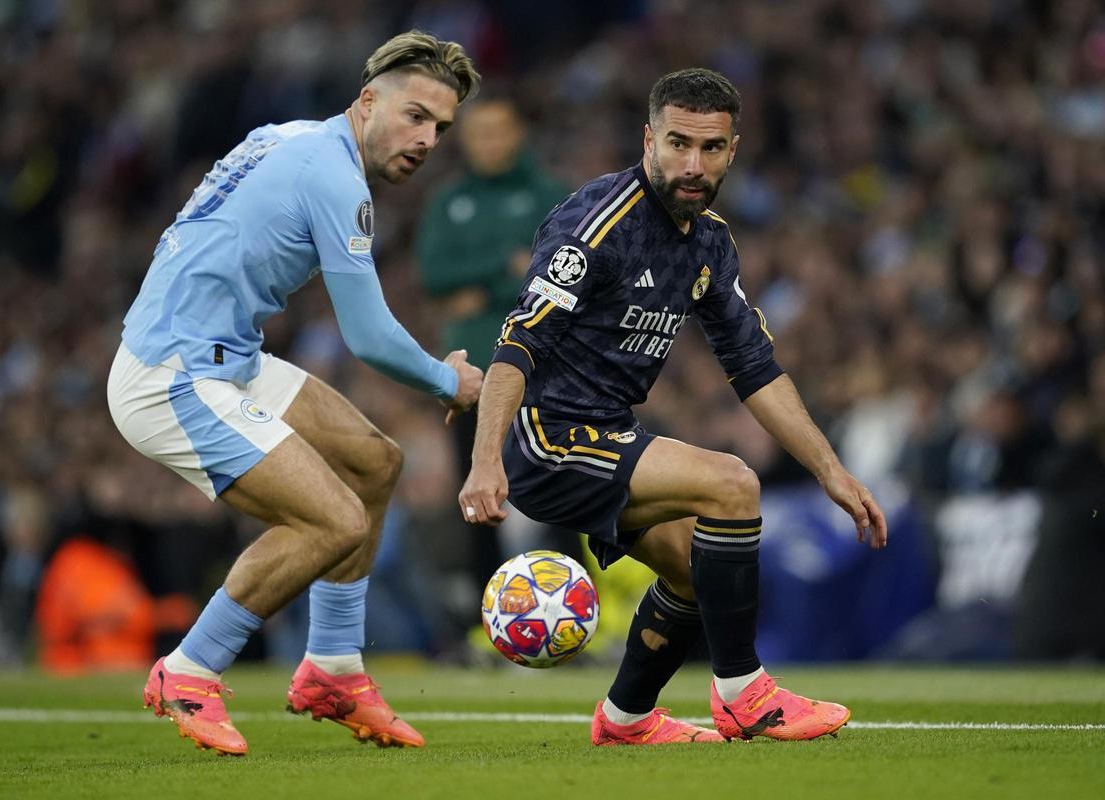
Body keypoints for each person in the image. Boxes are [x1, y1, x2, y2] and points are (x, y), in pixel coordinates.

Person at [458, 68, 888, 746]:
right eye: (678, 144)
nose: (693, 165)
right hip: (547, 438)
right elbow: (518, 344)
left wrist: (830, 470)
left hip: (608, 432)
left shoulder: (710, 241)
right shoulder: (597, 224)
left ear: (732, 150)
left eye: (710, 148)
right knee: (733, 484)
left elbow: (754, 368)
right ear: (648, 140)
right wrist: (486, 460)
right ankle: (744, 692)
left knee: (694, 569)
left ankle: (625, 719)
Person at [107, 31, 482, 756]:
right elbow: (368, 336)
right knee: (334, 520)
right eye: (415, 116)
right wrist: (449, 379)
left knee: (375, 463)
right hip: (173, 375)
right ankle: (189, 669)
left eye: (439, 127)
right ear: (367, 100)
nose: (427, 139)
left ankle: (333, 669)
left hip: (226, 353)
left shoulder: (289, 136)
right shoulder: (336, 179)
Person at [415, 95, 575, 601]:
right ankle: (484, 618)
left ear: (518, 132)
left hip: (546, 369)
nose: (487, 143)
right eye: (477, 133)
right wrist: (505, 269)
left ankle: (574, 601)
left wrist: (479, 291)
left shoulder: (552, 196)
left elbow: (562, 275)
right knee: (475, 494)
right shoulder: (448, 201)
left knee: (565, 488)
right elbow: (433, 274)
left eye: (497, 131)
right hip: (472, 374)